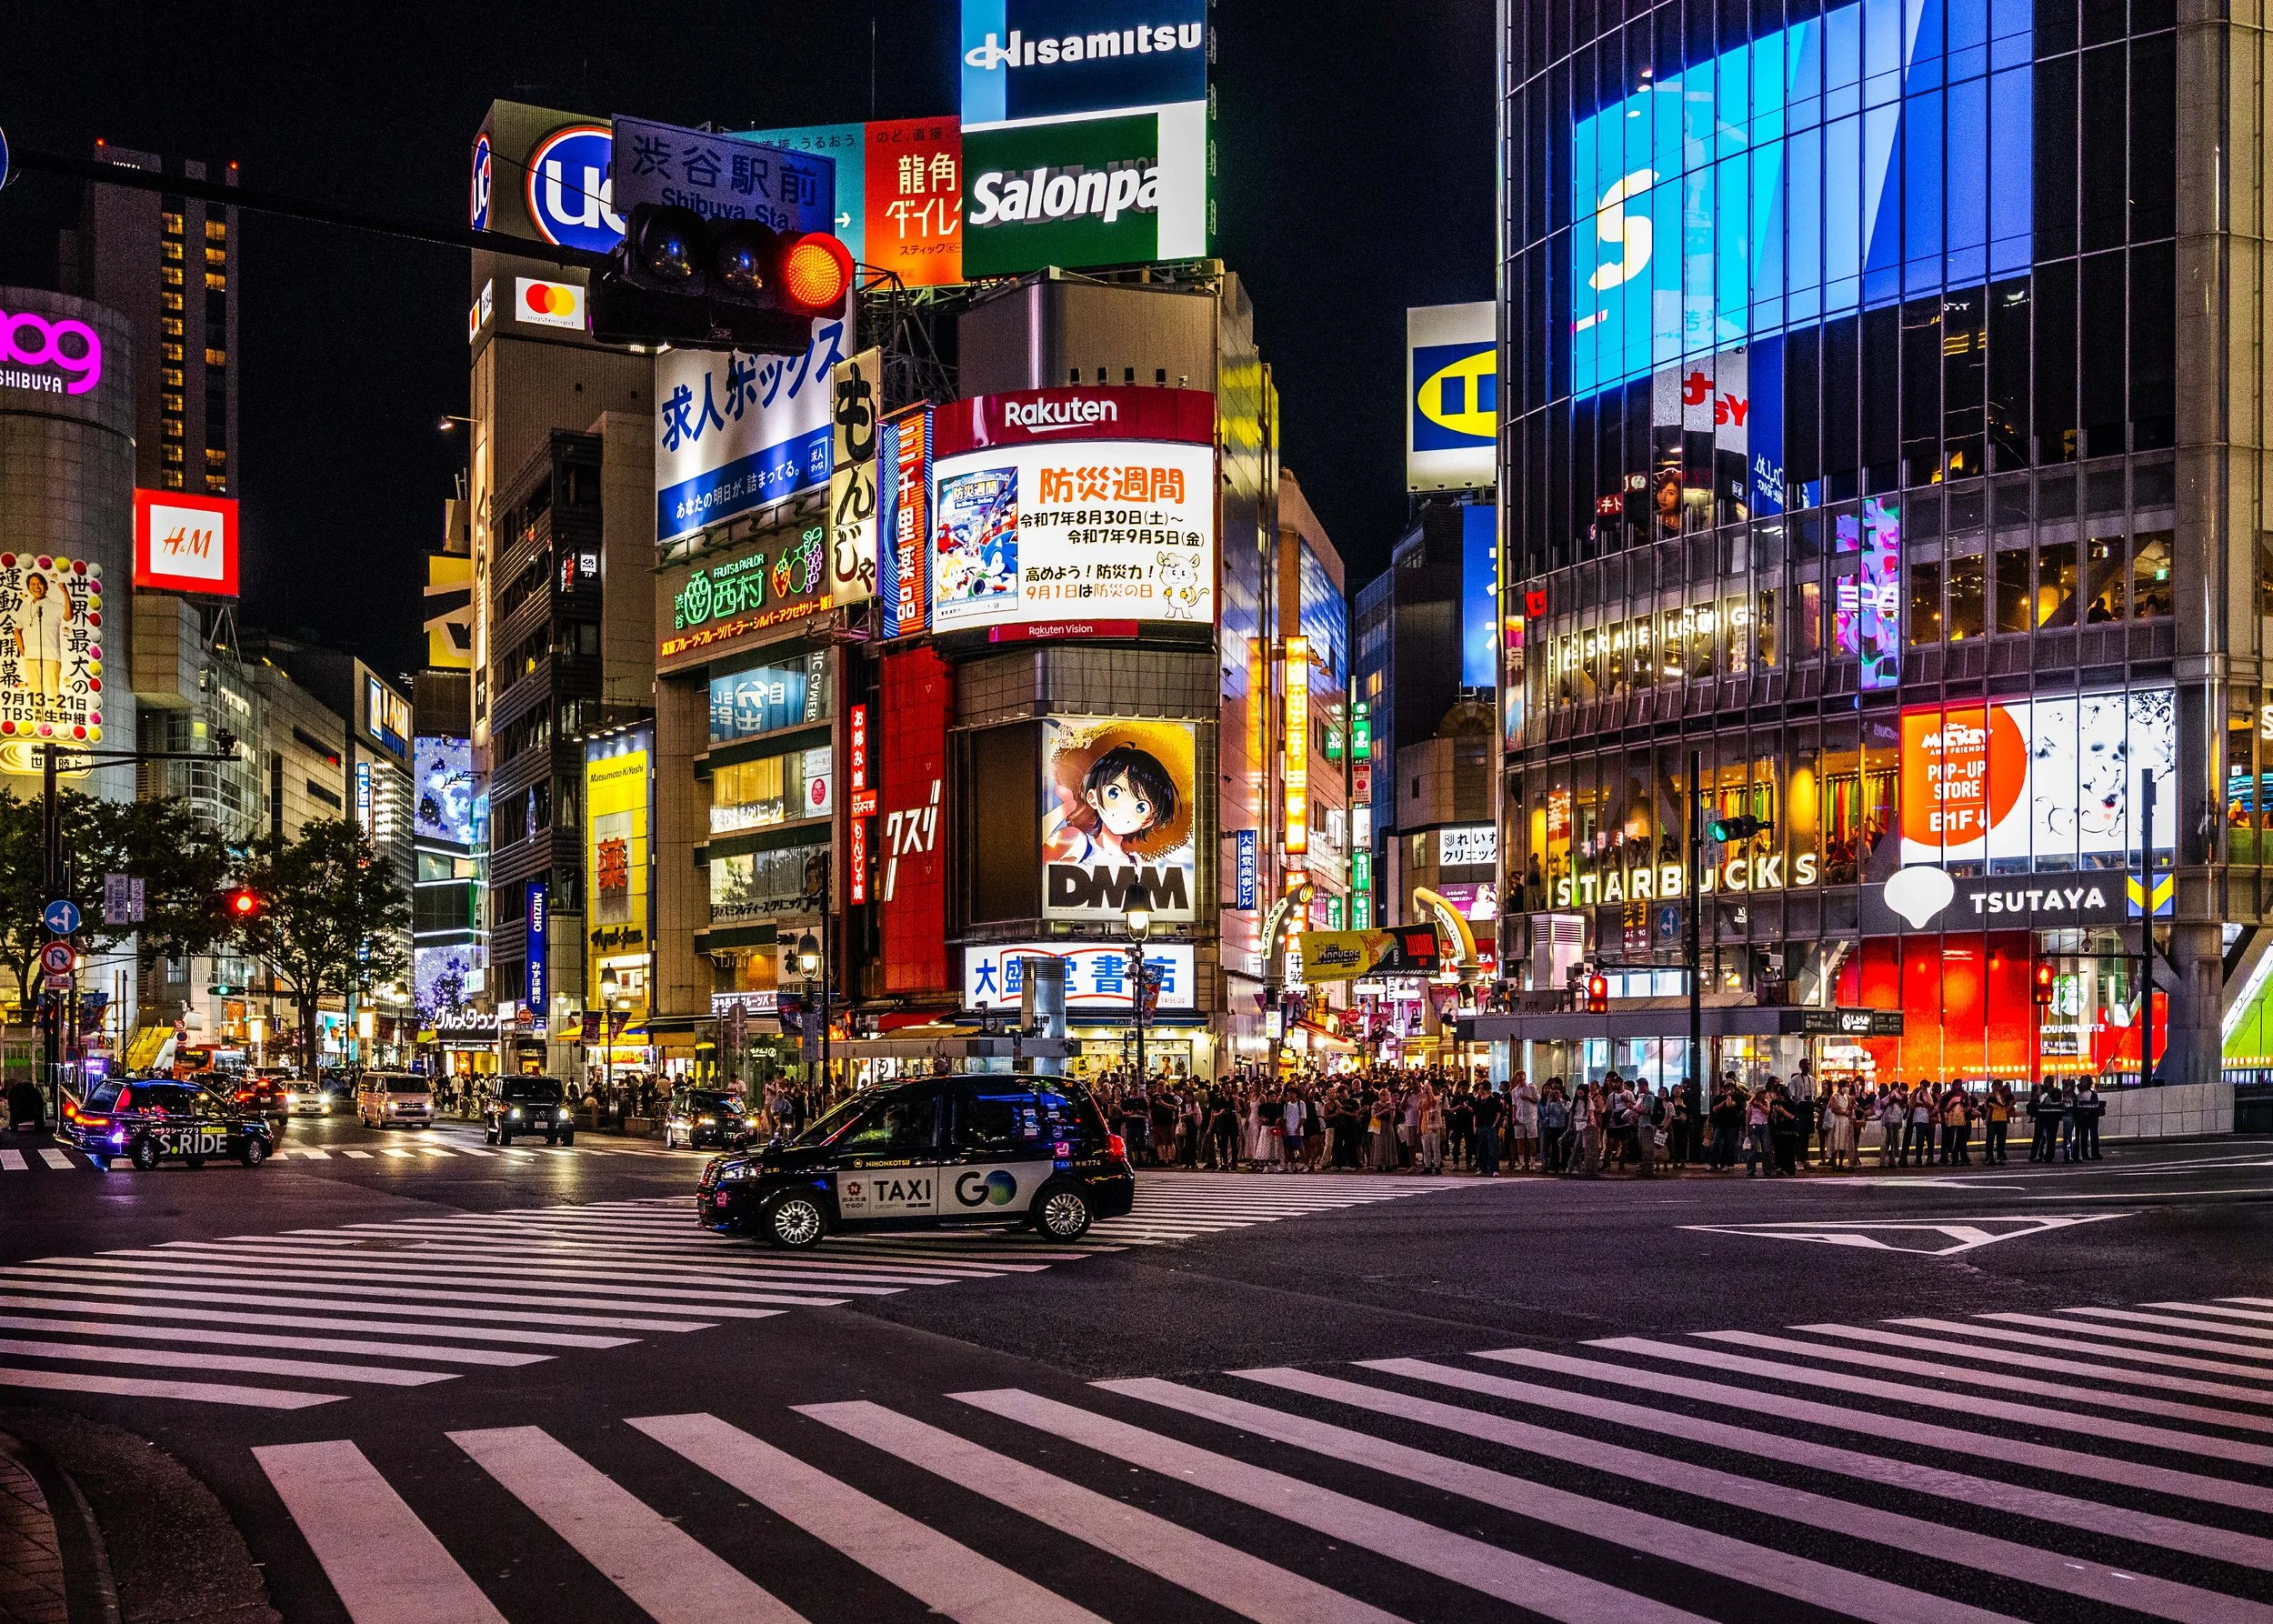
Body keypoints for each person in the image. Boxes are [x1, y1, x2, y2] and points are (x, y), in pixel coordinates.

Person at [1510, 1072, 1541, 1172]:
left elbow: (1537, 1100)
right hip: (1520, 1117)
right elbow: (1514, 1105)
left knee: (1532, 1140)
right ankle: (1521, 1162)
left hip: (1531, 1117)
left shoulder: (1531, 1088)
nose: (1520, 1082)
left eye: (1522, 1079)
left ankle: (1532, 1163)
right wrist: (1514, 1117)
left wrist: (1528, 1098)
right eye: (1518, 1080)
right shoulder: (1514, 1091)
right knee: (1520, 1140)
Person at [1473, 1083, 1504, 1178]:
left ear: (1487, 1090)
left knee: (1492, 1149)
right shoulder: (1478, 1101)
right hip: (1481, 1126)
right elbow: (1475, 1114)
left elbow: (1498, 1113)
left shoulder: (1492, 1100)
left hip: (1490, 1126)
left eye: (1482, 1089)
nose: (1480, 1091)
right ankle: (1483, 1168)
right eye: (1479, 1089)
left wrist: (1494, 1124)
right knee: (1481, 1148)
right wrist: (1475, 1126)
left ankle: (1494, 1169)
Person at [1539, 1081, 1569, 1174]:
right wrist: (1549, 1099)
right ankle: (1555, 1166)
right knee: (1554, 1147)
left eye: (1558, 1092)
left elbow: (1566, 1111)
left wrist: (1559, 1100)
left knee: (1564, 1147)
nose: (1557, 1094)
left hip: (1562, 1126)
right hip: (1553, 1126)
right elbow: (1547, 1112)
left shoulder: (1566, 1102)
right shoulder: (1552, 1104)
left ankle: (1564, 1165)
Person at [1631, 1080, 1659, 1177]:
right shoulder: (1644, 1097)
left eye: (1639, 1087)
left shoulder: (1649, 1097)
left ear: (1644, 1086)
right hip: (1642, 1123)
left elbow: (1646, 1110)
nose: (1639, 1089)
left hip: (1646, 1124)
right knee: (1642, 1145)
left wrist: (1635, 1109)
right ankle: (1644, 1164)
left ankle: (1647, 1164)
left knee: (1645, 1145)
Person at [2071, 1079, 2104, 1159]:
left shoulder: (2079, 1095)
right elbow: (2096, 1106)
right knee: (2093, 1134)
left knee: (2084, 1135)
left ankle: (2085, 1154)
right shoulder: (2092, 1094)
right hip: (2092, 1117)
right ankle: (2094, 1153)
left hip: (2083, 1117)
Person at [1983, 1082, 2013, 1165]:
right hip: (1993, 1119)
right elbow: (1987, 1105)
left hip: (2002, 1119)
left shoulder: (2005, 1095)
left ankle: (1999, 1157)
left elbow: (2010, 1102)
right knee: (1990, 1139)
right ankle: (1990, 1157)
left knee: (2001, 1140)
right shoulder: (1991, 1096)